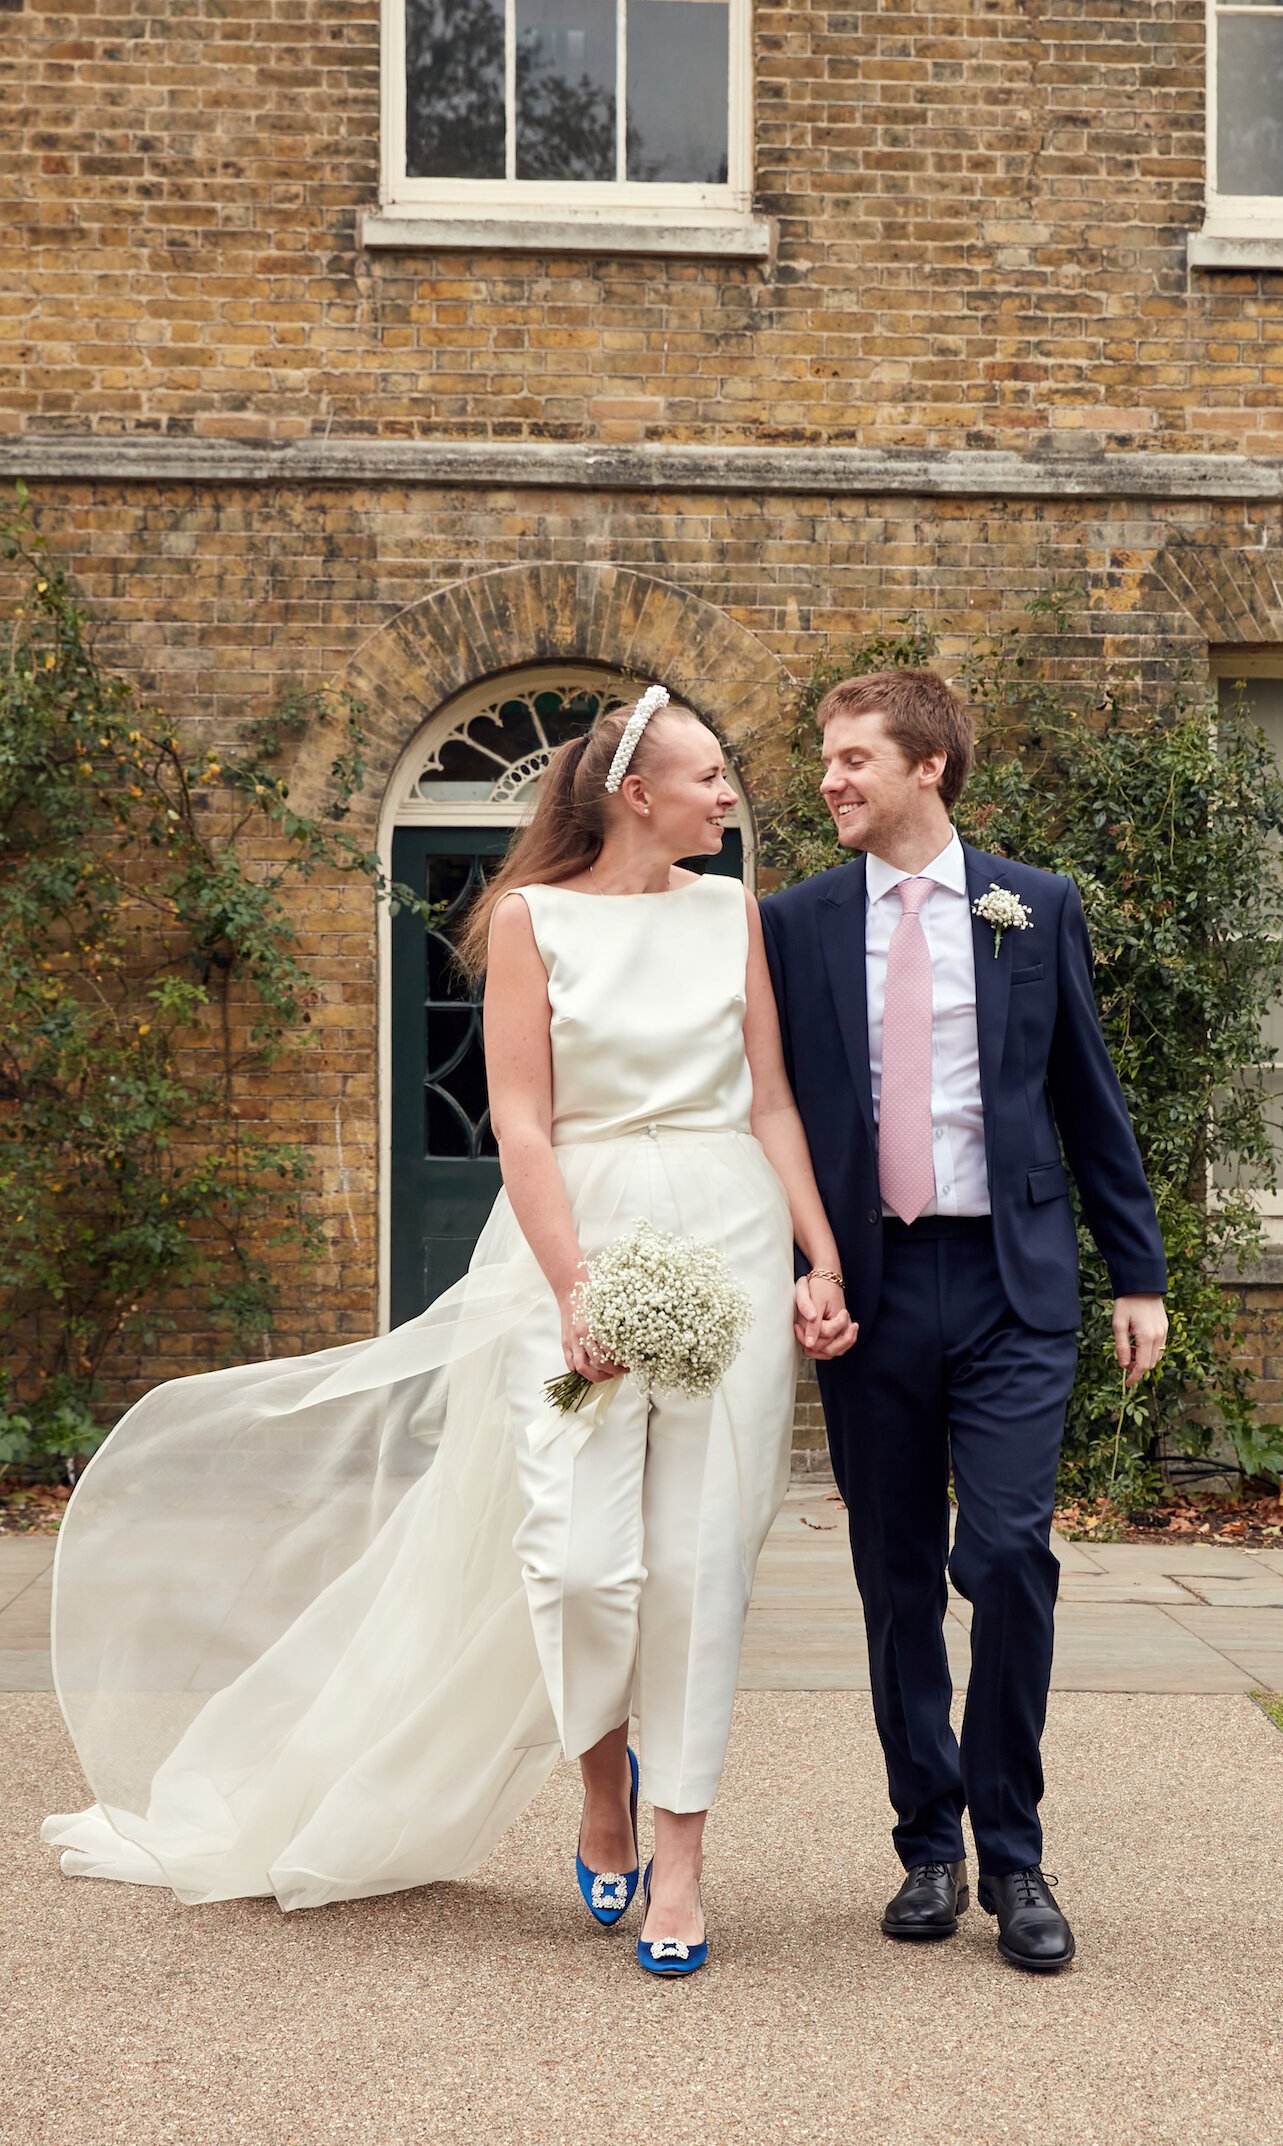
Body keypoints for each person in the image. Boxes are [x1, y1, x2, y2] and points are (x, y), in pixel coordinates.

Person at [43, 687, 855, 1979]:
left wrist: (817, 1253)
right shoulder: (531, 920)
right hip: (577, 1237)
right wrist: (577, 1286)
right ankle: (602, 1781)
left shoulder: (732, 914)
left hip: (731, 1239)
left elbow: (770, 1102)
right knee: (583, 1562)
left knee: (702, 1566)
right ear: (636, 795)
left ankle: (681, 1860)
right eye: (710, 778)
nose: (730, 798)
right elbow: (522, 1124)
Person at [760, 668, 1168, 1974]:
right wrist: (796, 1264)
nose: (831, 777)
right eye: (826, 757)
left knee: (1004, 1558)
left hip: (1011, 1282)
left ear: (929, 764)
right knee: (895, 1580)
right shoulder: (796, 924)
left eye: (854, 757)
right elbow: (763, 1112)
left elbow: (1090, 1095)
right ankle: (928, 1845)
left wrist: (1139, 1273)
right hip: (871, 1289)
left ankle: (1017, 1850)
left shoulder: (1032, 908)